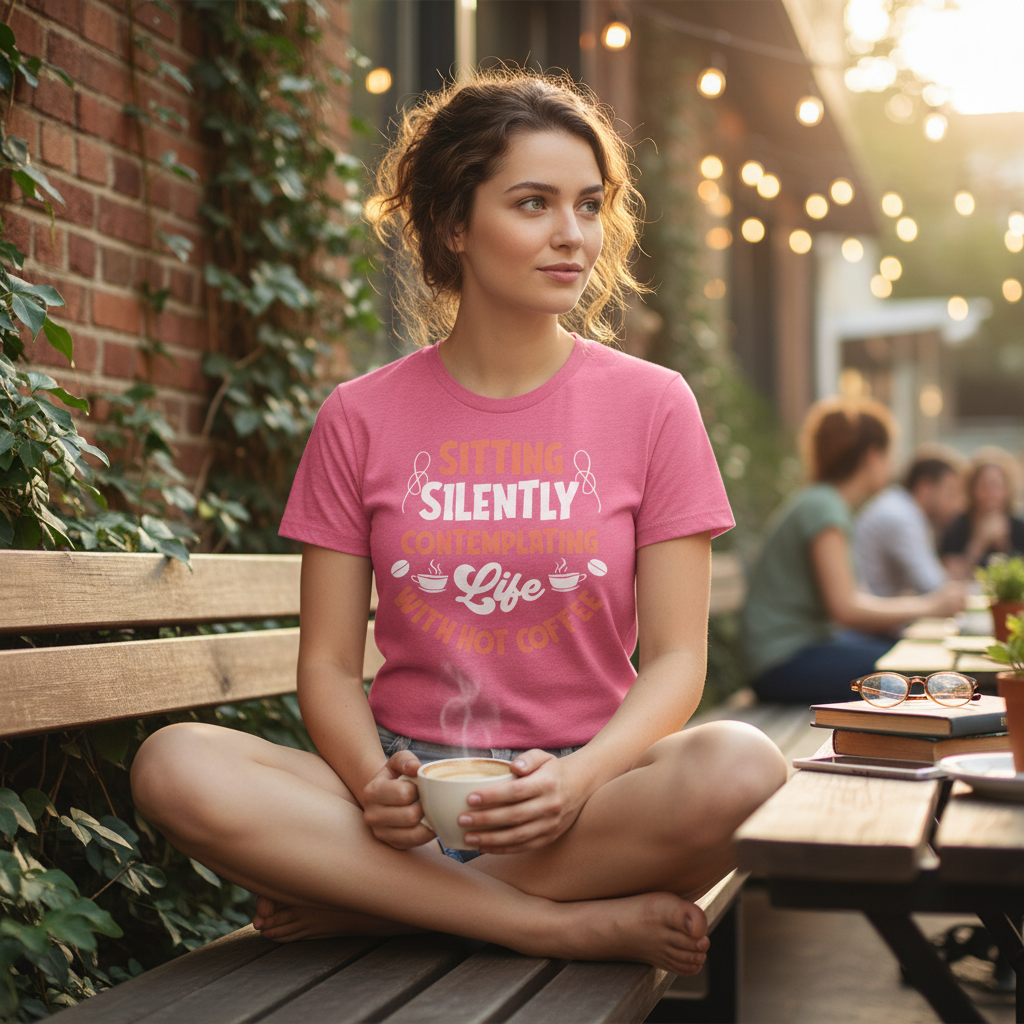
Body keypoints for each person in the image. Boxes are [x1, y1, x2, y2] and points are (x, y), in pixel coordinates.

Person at [129, 72, 788, 976]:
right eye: (533, 203)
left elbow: (677, 661)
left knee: (746, 768)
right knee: (174, 764)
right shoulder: (359, 416)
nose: (573, 234)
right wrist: (375, 782)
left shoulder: (654, 405)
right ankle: (545, 924)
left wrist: (577, 779)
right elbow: (328, 665)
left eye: (589, 205)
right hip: (406, 796)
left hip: (581, 793)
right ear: (452, 225)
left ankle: (384, 906)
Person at [743, 397, 965, 704]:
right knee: (922, 676)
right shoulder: (824, 507)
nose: (892, 465)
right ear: (873, 455)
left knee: (916, 662)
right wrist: (929, 606)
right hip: (782, 662)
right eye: (889, 454)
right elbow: (845, 608)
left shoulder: (825, 502)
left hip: (799, 651)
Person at [853, 452, 964, 597]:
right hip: (873, 607)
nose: (957, 505)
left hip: (876, 603)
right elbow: (933, 586)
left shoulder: (901, 506)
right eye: (951, 492)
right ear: (924, 487)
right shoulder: (901, 516)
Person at [940, 447, 1024, 577]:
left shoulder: (1019, 527)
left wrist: (1004, 546)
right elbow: (949, 574)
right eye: (984, 485)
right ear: (972, 488)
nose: (990, 492)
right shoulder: (956, 526)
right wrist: (979, 542)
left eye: (996, 485)